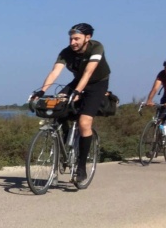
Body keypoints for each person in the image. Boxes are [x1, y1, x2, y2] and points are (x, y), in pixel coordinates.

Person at [30, 23, 110, 189]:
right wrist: (41, 92)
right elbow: (55, 72)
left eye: (77, 39)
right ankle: (64, 147)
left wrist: (77, 92)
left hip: (97, 84)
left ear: (87, 38)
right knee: (58, 107)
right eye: (71, 38)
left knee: (84, 123)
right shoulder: (66, 52)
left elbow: (88, 72)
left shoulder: (96, 47)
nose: (73, 42)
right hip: (77, 81)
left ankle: (81, 168)